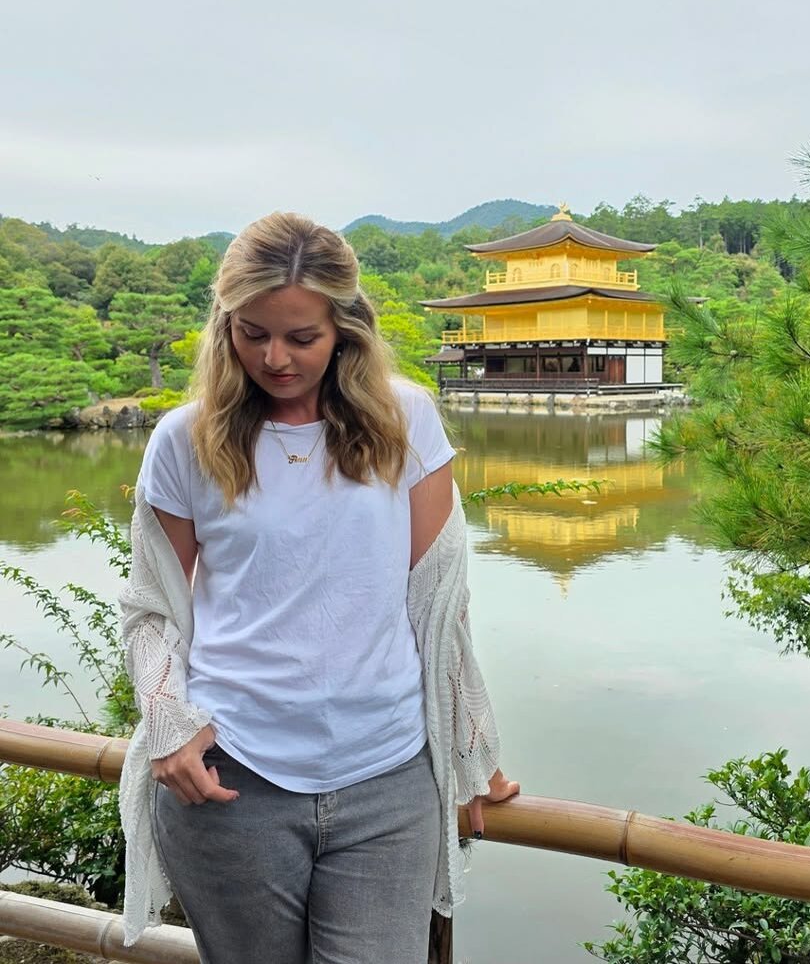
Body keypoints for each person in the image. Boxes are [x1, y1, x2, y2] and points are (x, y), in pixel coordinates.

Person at [116, 211, 518, 963]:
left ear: (344, 328)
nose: (275, 357)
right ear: (225, 326)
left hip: (388, 778)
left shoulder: (406, 420)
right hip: (233, 778)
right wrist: (168, 720)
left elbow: (439, 607)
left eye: (301, 337)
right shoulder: (185, 440)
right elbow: (151, 609)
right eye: (253, 333)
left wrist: (471, 746)